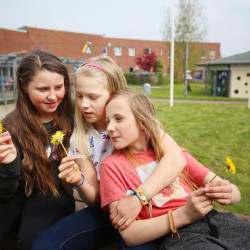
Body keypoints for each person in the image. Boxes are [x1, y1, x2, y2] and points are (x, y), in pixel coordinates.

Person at [31, 55, 187, 250]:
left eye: (93, 97)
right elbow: (97, 201)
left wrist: (139, 198)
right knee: (45, 246)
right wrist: (79, 181)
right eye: (79, 95)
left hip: (151, 209)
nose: (83, 104)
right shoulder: (80, 138)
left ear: (114, 93)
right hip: (109, 213)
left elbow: (176, 158)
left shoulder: (137, 124)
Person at [100, 88, 250, 249]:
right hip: (180, 235)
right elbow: (129, 236)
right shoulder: (112, 166)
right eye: (108, 121)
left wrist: (227, 192)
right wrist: (183, 215)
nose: (109, 127)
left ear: (142, 122)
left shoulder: (177, 156)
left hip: (218, 220)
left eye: (118, 119)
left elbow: (236, 194)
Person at [0, 50, 75, 250]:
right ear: (24, 86)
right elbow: (5, 193)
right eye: (43, 89)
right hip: (15, 194)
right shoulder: (10, 126)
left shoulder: (75, 116)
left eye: (59, 87)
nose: (53, 96)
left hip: (53, 193)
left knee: (31, 241)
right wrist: (9, 165)